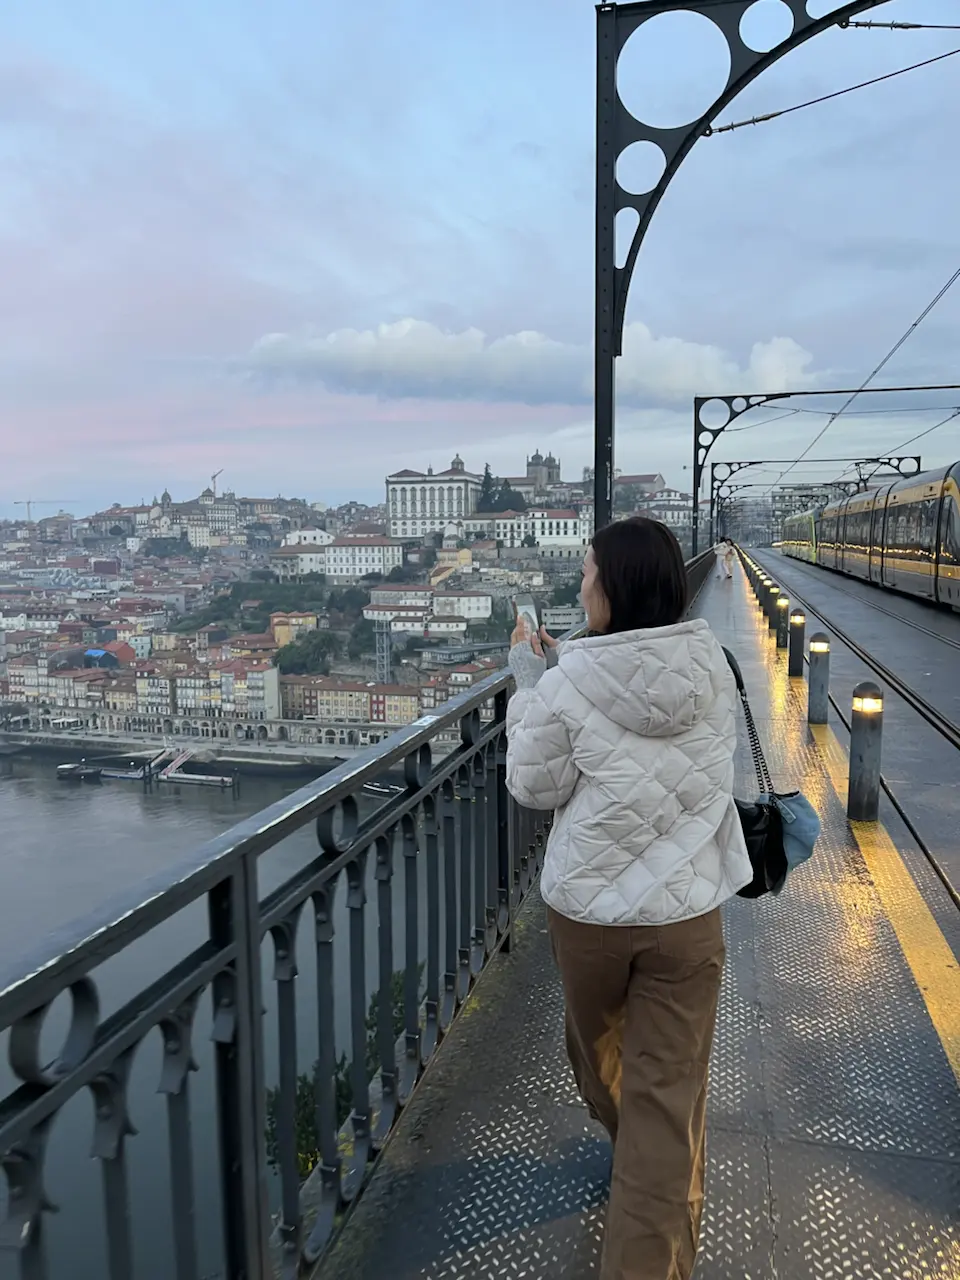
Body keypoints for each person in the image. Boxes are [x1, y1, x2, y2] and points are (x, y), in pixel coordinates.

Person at [505, 516, 752, 1280]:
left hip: (590, 916)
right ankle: (653, 1163)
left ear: (611, 588)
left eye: (587, 573)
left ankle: (642, 1157)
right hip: (687, 914)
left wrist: (527, 683)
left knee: (597, 1054)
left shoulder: (570, 678)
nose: (581, 584)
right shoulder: (715, 662)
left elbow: (532, 785)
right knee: (664, 1095)